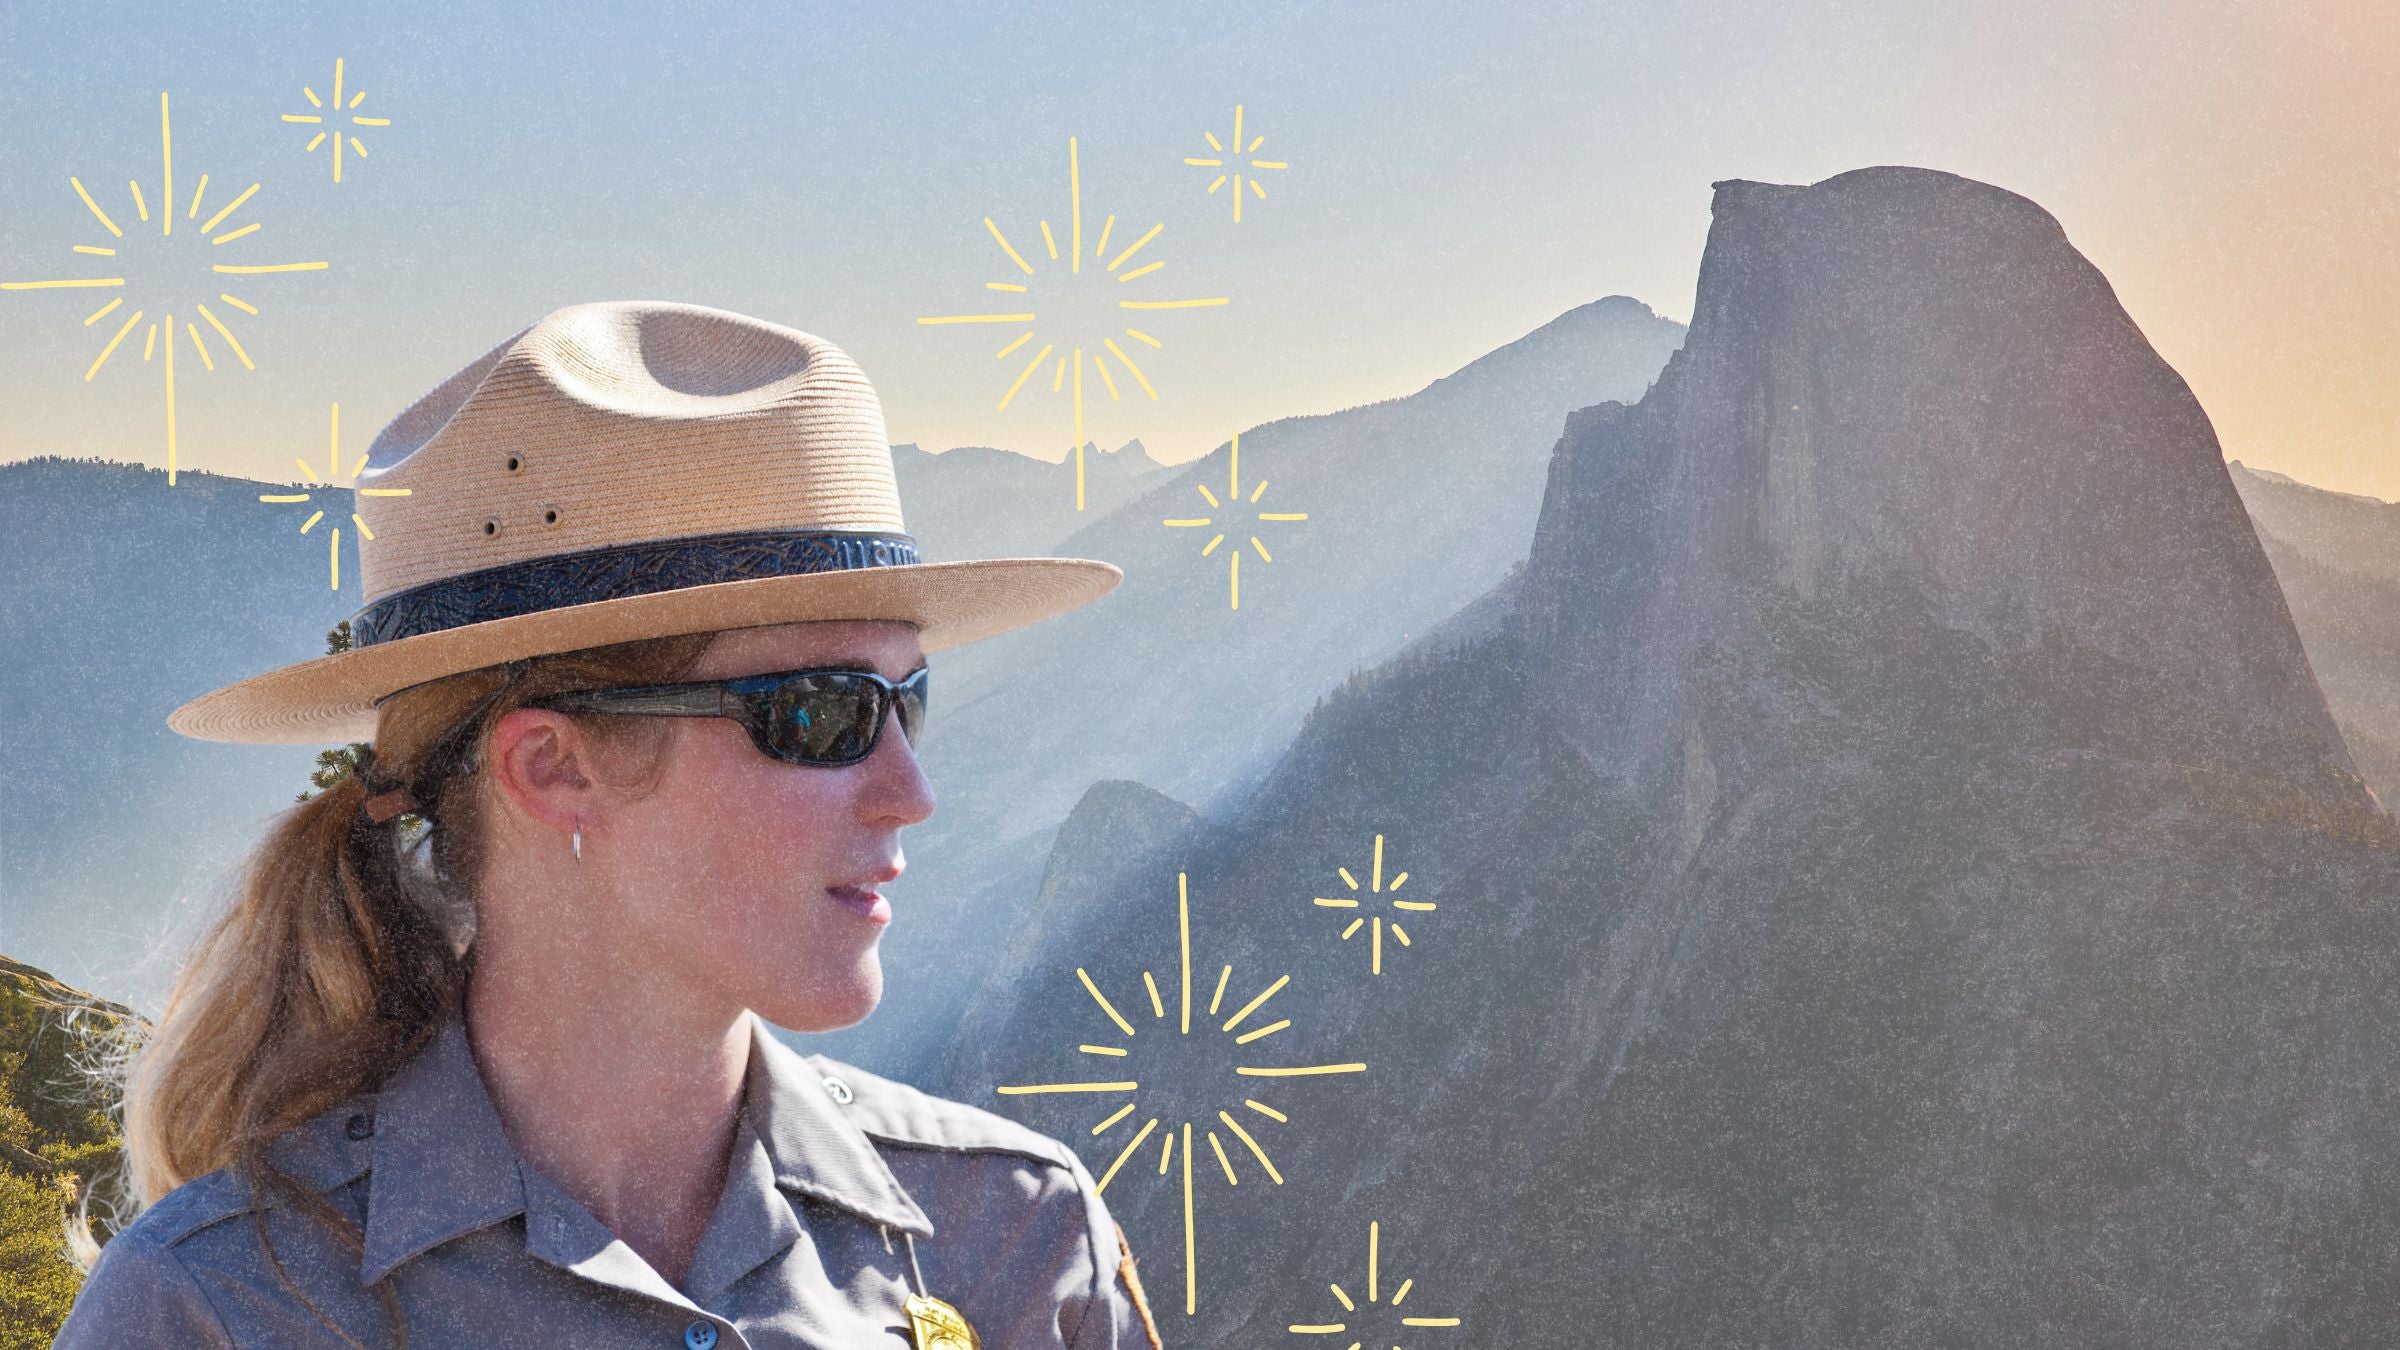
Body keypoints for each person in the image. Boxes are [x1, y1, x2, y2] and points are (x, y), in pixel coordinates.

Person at [54, 301, 1168, 1348]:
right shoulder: (220, 1313)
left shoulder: (1017, 1240)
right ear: (551, 767)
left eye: (907, 701)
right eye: (821, 715)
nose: (910, 789)